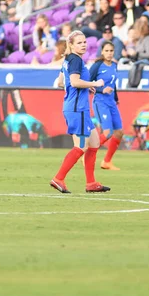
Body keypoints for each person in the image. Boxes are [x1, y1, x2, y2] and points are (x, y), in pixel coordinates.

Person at [50, 31, 110, 194]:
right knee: (81, 147)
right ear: (71, 45)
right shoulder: (75, 60)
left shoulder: (68, 59)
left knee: (95, 143)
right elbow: (75, 82)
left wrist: (85, 86)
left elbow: (61, 82)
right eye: (79, 42)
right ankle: (58, 178)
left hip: (76, 107)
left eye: (84, 42)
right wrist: (94, 83)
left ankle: (91, 183)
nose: (83, 44)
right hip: (77, 109)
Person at [88, 41, 124, 171]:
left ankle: (106, 162)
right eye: (106, 51)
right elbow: (87, 83)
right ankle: (88, 154)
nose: (109, 53)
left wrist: (116, 98)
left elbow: (113, 85)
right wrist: (101, 90)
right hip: (100, 101)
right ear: (102, 52)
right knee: (108, 132)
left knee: (119, 132)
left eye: (111, 51)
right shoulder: (97, 66)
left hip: (111, 102)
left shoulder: (114, 65)